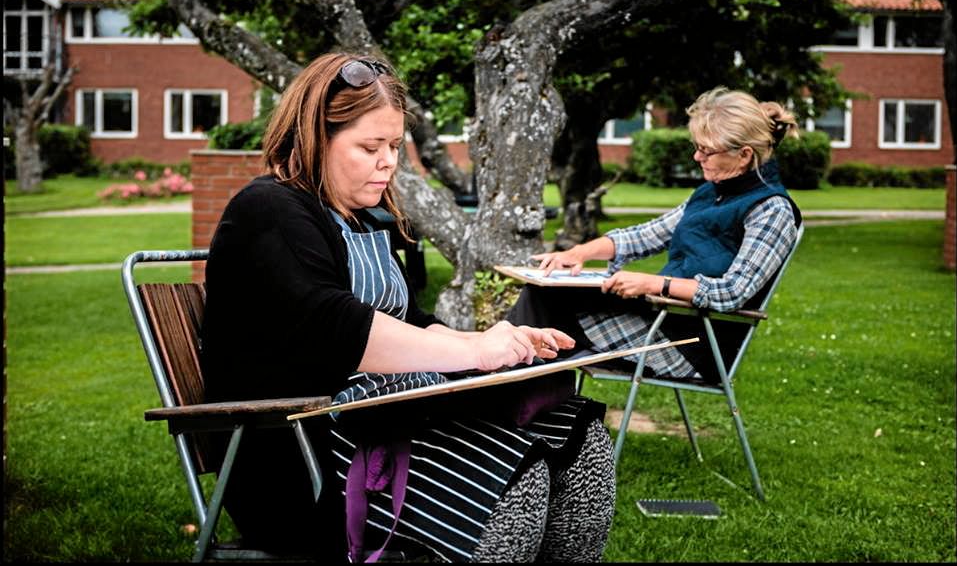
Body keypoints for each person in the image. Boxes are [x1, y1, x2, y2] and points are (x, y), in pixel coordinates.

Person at [199, 53, 616, 563]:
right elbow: (335, 329)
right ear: (313, 138)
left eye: (394, 145)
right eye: (369, 146)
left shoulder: (359, 215)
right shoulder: (269, 210)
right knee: (514, 473)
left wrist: (491, 343)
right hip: (299, 459)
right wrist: (477, 353)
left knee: (579, 437)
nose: (389, 161)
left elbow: (408, 321)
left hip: (389, 420)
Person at [507, 86, 803, 383]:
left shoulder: (772, 211)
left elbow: (732, 292)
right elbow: (646, 235)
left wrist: (654, 283)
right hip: (660, 320)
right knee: (542, 299)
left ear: (744, 155)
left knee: (545, 313)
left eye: (706, 150)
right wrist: (578, 253)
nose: (696, 156)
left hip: (693, 347)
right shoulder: (710, 193)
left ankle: (496, 394)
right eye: (697, 146)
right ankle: (507, 395)